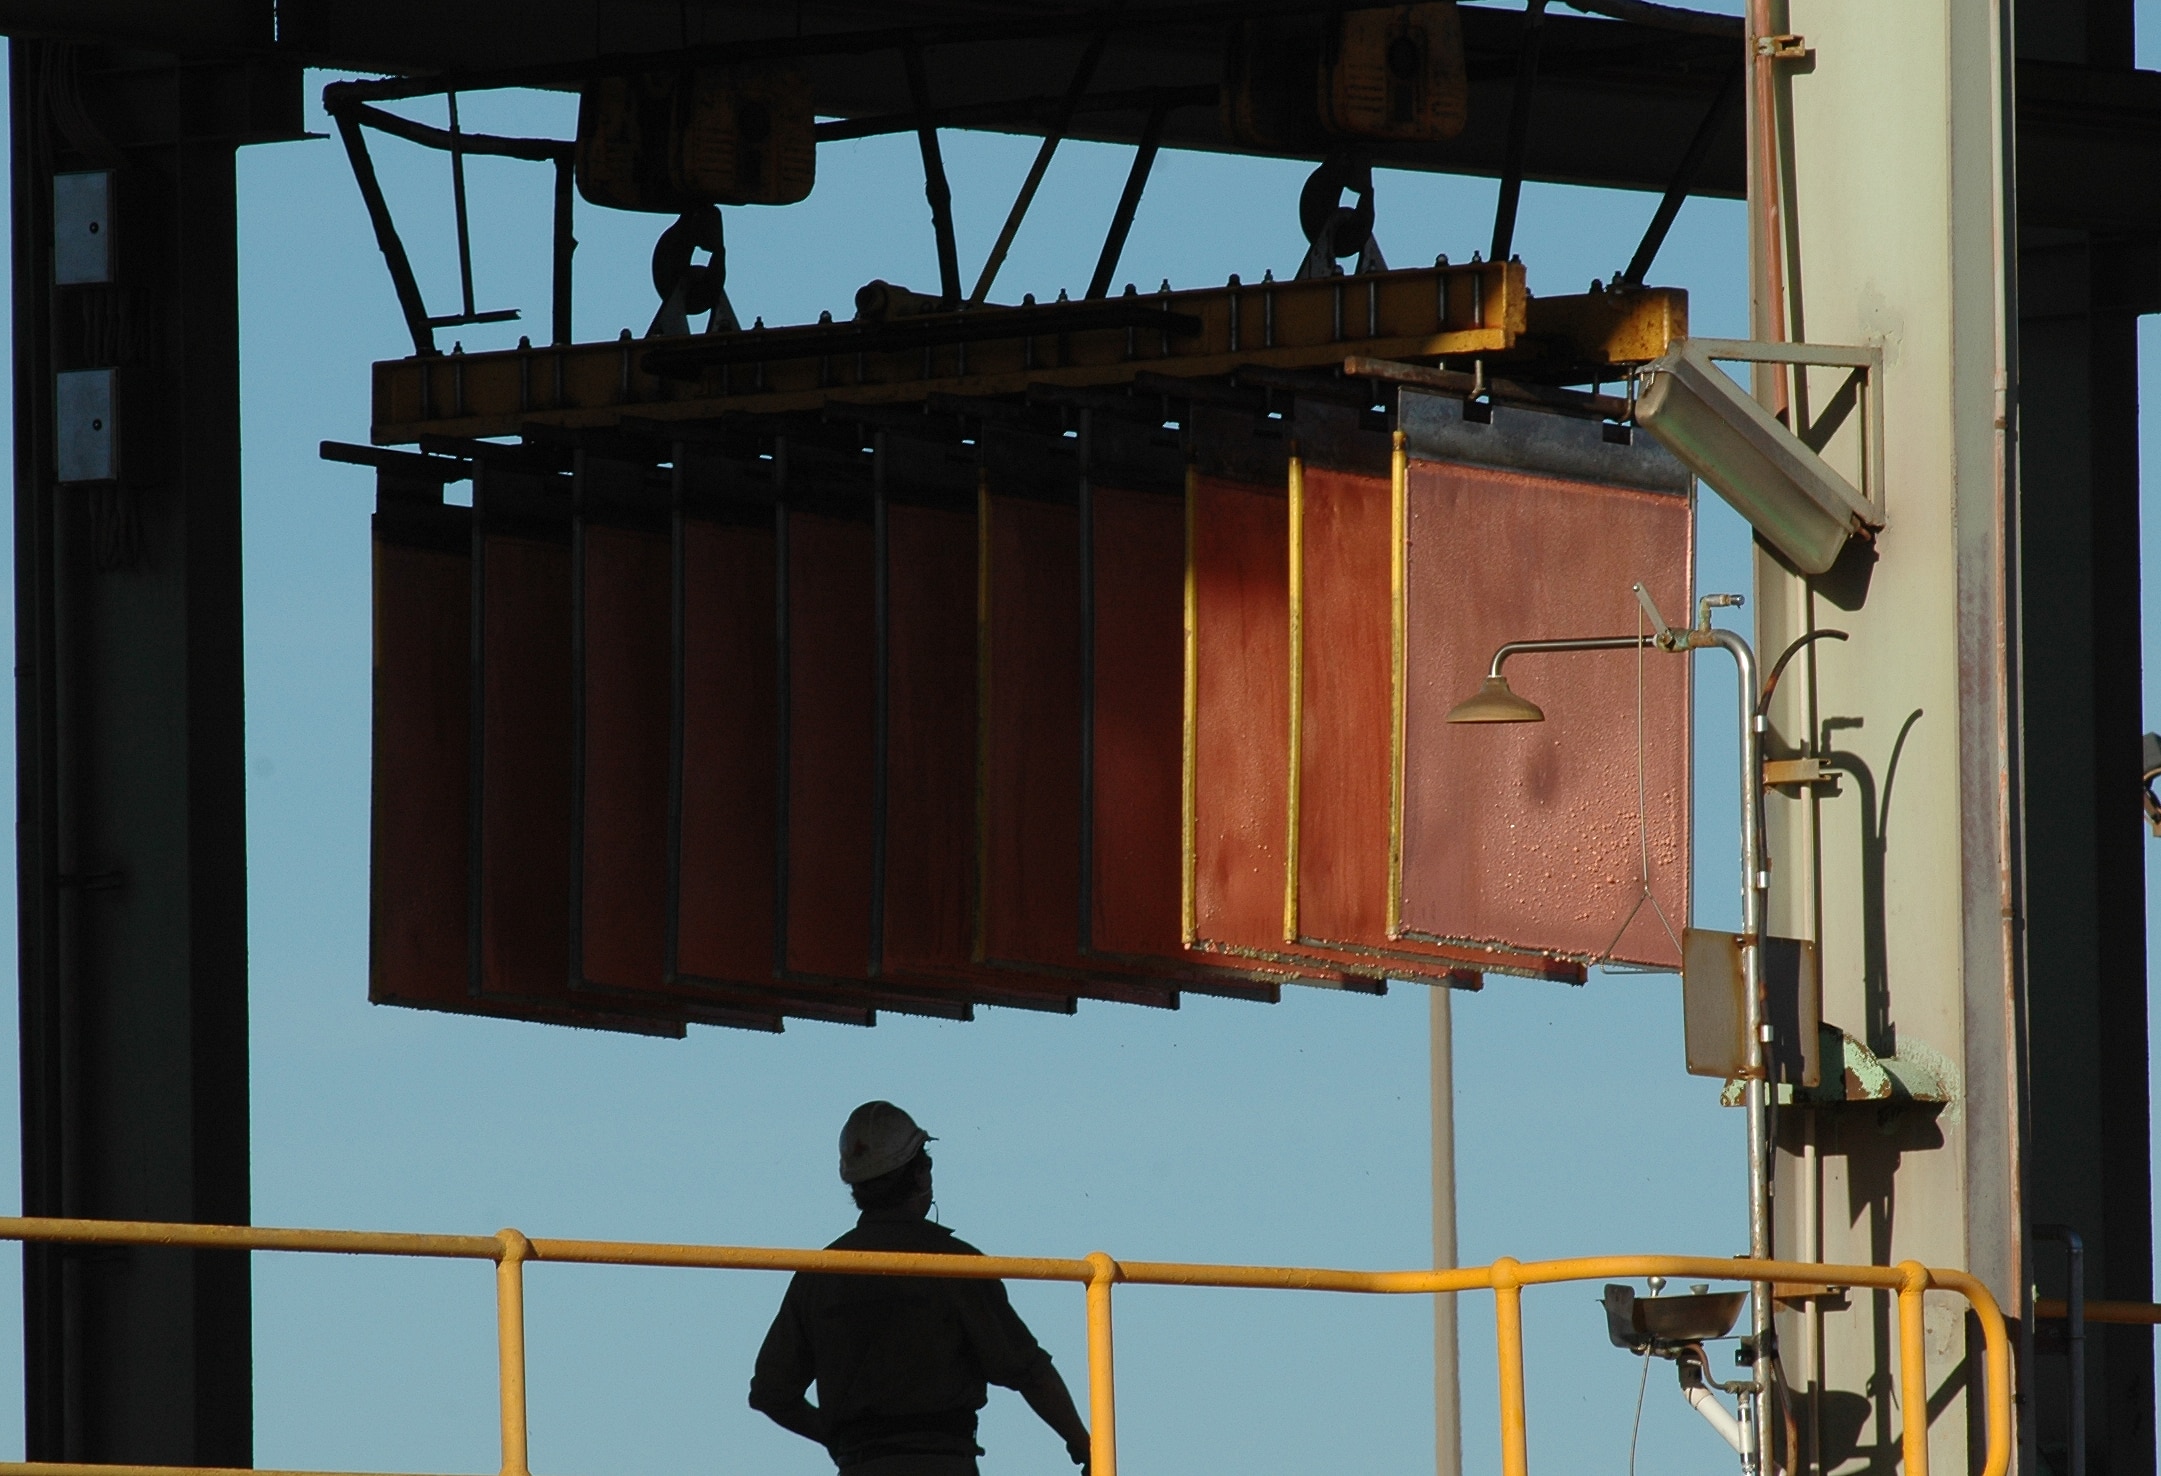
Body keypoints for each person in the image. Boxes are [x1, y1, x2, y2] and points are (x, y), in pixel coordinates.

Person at [750, 1101, 1093, 1476]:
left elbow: (772, 1393)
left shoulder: (820, 1274)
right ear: (920, 1175)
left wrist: (839, 1439)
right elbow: (1029, 1372)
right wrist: (1087, 1445)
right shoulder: (952, 1263)